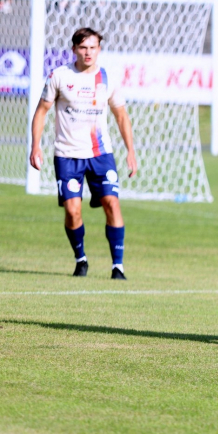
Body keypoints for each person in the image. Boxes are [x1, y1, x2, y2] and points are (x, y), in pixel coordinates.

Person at [29, 28, 137, 279]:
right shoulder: (60, 76)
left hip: (101, 154)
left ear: (99, 49)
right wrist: (35, 146)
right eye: (83, 47)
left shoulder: (107, 78)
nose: (88, 52)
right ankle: (81, 259)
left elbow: (121, 116)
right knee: (72, 210)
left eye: (93, 47)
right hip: (67, 155)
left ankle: (117, 267)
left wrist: (131, 151)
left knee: (112, 203)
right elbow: (41, 112)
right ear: (74, 49)